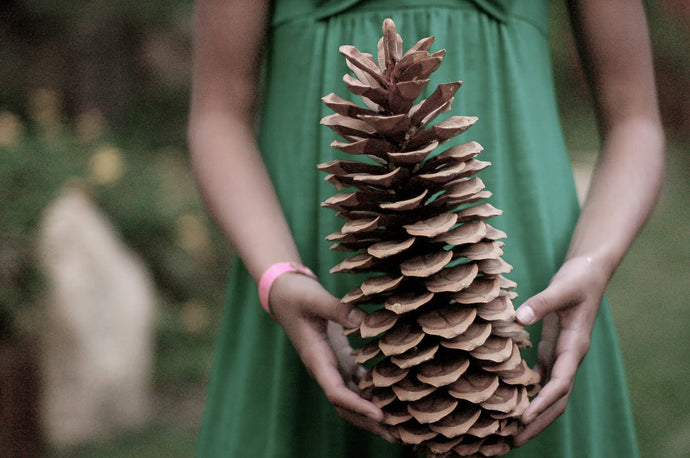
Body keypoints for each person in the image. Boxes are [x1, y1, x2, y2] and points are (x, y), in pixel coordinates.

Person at [187, 0, 664, 456]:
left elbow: (635, 116)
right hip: (303, 275)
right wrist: (276, 273)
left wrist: (594, 260)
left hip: (524, 290)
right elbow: (217, 113)